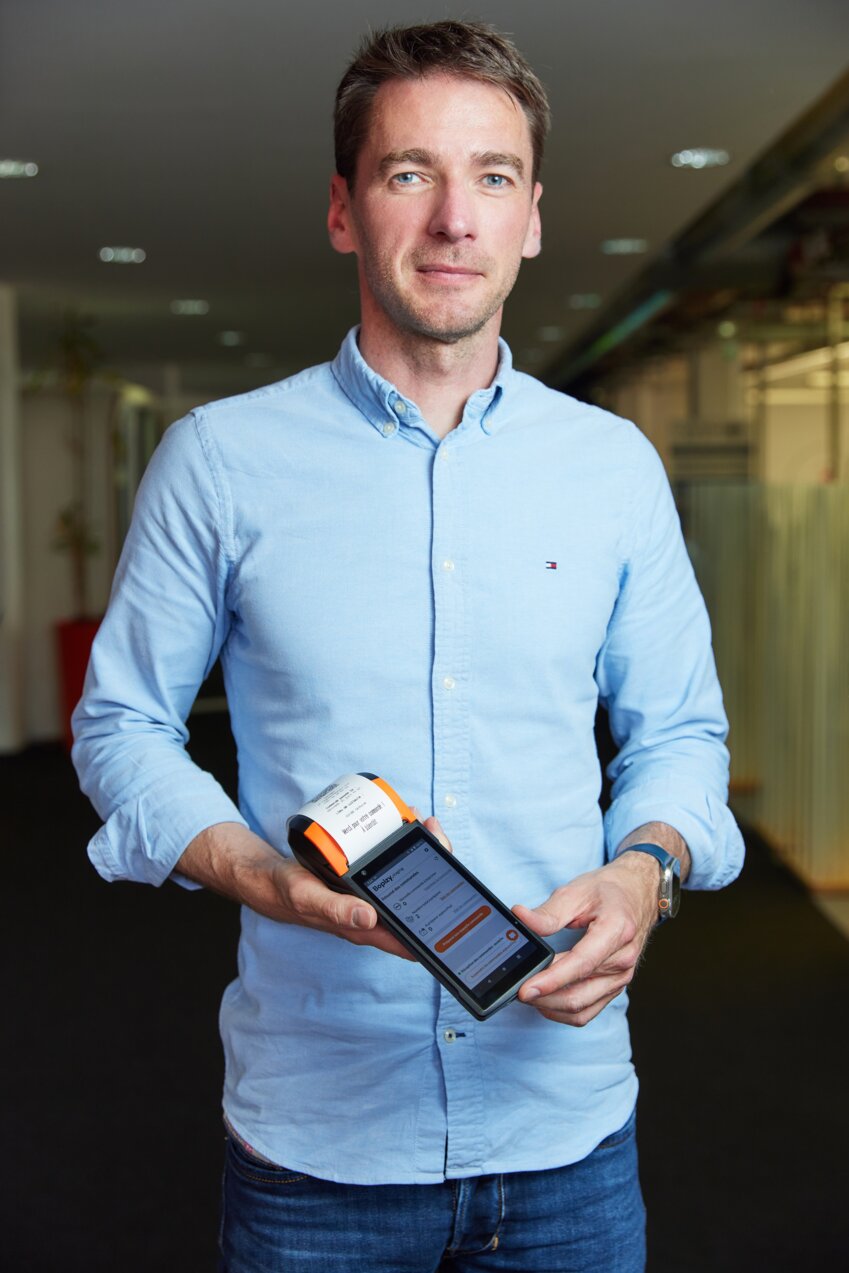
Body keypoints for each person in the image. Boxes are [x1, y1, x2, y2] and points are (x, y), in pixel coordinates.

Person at [73, 19, 744, 1273]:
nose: (455, 220)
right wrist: (262, 876)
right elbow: (121, 727)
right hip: (321, 1145)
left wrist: (645, 869)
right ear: (344, 211)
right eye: (408, 173)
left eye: (492, 177)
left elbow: (682, 734)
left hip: (568, 1131)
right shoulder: (221, 461)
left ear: (533, 217)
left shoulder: (611, 470)